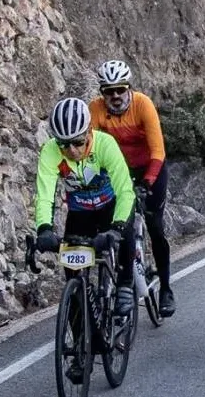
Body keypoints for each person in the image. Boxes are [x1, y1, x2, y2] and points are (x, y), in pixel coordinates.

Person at [30, 96, 135, 315]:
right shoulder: (50, 151)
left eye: (78, 142)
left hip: (112, 206)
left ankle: (125, 284)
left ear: (89, 132)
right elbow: (45, 195)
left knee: (125, 233)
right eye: (63, 144)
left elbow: (125, 191)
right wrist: (44, 228)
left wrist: (116, 229)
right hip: (81, 212)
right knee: (73, 272)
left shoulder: (105, 145)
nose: (72, 150)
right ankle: (80, 330)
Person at [88, 59, 175, 317]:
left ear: (129, 88)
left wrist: (148, 181)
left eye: (120, 89)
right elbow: (91, 151)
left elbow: (158, 150)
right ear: (102, 93)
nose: (115, 96)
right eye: (109, 91)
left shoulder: (142, 105)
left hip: (150, 168)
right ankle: (118, 278)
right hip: (116, 172)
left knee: (155, 226)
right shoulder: (95, 109)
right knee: (115, 222)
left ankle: (166, 289)